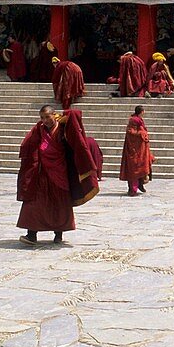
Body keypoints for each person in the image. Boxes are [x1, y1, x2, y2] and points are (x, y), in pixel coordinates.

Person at [16, 106, 100, 246]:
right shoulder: (39, 129)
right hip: (42, 172)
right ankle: (31, 235)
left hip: (59, 172)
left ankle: (58, 234)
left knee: (59, 203)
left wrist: (67, 115)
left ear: (54, 115)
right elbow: (28, 144)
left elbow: (76, 118)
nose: (45, 120)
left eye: (47, 117)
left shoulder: (63, 128)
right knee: (35, 203)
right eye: (42, 118)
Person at [120, 105, 154, 196]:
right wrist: (142, 133)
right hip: (134, 149)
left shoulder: (139, 120)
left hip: (141, 149)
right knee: (134, 167)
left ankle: (140, 184)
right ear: (141, 112)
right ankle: (133, 188)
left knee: (142, 165)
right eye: (143, 111)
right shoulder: (133, 120)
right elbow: (131, 132)